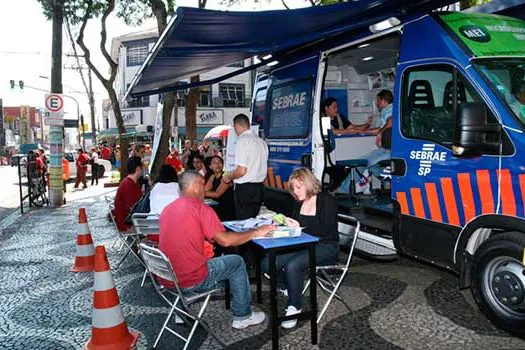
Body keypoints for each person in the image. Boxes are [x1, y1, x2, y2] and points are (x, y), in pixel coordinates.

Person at [159, 170, 275, 329]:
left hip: (167, 278)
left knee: (187, 259)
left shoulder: (167, 209)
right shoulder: (201, 208)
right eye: (203, 185)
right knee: (236, 262)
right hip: (191, 280)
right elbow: (225, 241)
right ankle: (242, 316)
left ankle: (181, 312)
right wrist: (256, 232)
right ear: (195, 186)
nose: (205, 190)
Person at [263, 168, 339, 329]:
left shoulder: (327, 200)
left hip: (326, 245)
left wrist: (300, 226)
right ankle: (287, 287)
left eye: (298, 187)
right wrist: (284, 225)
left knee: (293, 266)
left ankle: (295, 307)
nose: (295, 192)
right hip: (303, 243)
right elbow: (297, 229)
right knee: (267, 262)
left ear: (309, 184)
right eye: (293, 188)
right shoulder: (299, 202)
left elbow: (325, 230)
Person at [337, 90, 394, 194]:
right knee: (370, 164)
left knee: (362, 162)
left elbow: (390, 122)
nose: (377, 104)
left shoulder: (388, 110)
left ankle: (343, 189)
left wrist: (380, 133)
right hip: (393, 148)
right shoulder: (395, 108)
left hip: (389, 150)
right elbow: (382, 127)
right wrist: (362, 131)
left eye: (378, 101)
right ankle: (387, 178)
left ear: (383, 100)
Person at [222, 114, 268, 220]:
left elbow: (241, 171)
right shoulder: (261, 142)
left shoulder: (242, 141)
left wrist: (228, 177)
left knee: (243, 223)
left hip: (245, 189)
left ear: (237, 126)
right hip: (259, 187)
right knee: (254, 222)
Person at [113, 156, 144, 232]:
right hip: (128, 224)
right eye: (142, 167)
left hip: (130, 221)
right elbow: (133, 208)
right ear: (138, 169)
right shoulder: (129, 185)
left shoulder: (131, 182)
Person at [205, 156, 235, 221]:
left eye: (220, 162)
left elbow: (217, 194)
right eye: (214, 162)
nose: (217, 164)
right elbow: (206, 190)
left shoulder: (226, 176)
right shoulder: (212, 176)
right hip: (216, 209)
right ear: (210, 166)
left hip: (226, 211)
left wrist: (199, 192)